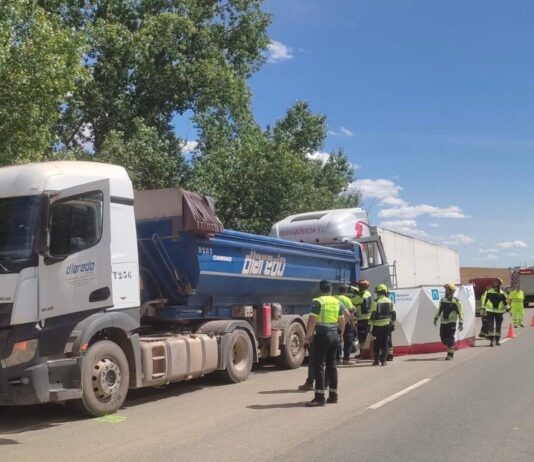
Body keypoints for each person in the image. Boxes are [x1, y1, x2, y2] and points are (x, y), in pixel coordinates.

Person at [304, 280, 346, 407]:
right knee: (332, 365)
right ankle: (333, 396)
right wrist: (341, 334)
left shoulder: (318, 301)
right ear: (331, 289)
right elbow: (342, 320)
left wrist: (308, 336)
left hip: (322, 334)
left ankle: (319, 397)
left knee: (318, 365)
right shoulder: (337, 302)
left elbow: (312, 319)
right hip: (334, 334)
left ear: (320, 289)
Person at [433, 283, 463, 360]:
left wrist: (461, 322)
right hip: (443, 322)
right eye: (446, 290)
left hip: (452, 322)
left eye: (447, 290)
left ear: (451, 291)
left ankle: (450, 354)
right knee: (443, 338)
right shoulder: (443, 300)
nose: (446, 291)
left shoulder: (456, 301)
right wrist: (436, 318)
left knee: (450, 338)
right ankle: (451, 344)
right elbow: (439, 310)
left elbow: (461, 312)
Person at [369, 284, 396, 366]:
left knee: (376, 343)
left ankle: (376, 361)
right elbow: (393, 314)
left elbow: (373, 314)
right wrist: (393, 324)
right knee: (385, 343)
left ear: (378, 292)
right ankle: (383, 361)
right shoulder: (389, 301)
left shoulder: (375, 301)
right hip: (386, 326)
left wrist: (369, 326)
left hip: (376, 327)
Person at [481, 278, 509, 346]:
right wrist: (483, 309)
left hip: (499, 312)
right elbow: (484, 301)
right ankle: (492, 340)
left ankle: (497, 340)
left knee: (498, 326)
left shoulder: (502, 293)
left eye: (497, 282)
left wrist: (509, 309)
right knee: (490, 326)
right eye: (494, 282)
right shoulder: (489, 292)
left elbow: (506, 303)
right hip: (490, 311)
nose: (495, 283)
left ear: (499, 284)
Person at [350, 279, 372, 358]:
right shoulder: (368, 293)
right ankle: (363, 353)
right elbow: (359, 292)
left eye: (359, 286)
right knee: (365, 336)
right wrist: (352, 288)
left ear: (361, 287)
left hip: (362, 319)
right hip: (367, 318)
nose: (358, 287)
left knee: (361, 337)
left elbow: (350, 301)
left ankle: (362, 354)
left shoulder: (360, 297)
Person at [336, 284, 356, 365]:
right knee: (348, 340)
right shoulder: (346, 299)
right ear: (346, 291)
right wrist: (353, 322)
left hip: (334, 322)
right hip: (345, 322)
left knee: (336, 341)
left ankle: (337, 359)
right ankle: (346, 360)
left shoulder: (334, 297)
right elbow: (351, 312)